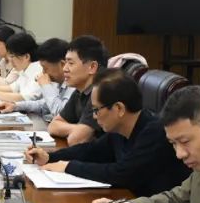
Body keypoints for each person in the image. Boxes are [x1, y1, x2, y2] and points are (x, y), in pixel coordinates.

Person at [24, 70, 189, 196]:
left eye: (97, 110)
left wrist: (68, 167)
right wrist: (50, 157)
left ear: (119, 109)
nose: (94, 116)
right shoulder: (119, 130)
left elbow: (122, 173)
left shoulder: (155, 131)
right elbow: (91, 150)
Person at [48, 35, 108, 145]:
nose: (65, 69)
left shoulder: (102, 92)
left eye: (71, 63)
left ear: (92, 67)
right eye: (65, 63)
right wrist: (77, 128)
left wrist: (78, 130)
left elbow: (76, 140)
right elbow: (53, 125)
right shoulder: (80, 91)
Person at [0, 37, 73, 120]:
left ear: (62, 64)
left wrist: (46, 85)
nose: (43, 72)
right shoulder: (59, 83)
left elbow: (62, 113)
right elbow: (43, 105)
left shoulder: (73, 85)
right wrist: (15, 106)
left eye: (45, 68)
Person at [0, 32, 43, 102]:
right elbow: (12, 88)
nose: (10, 60)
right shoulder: (25, 69)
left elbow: (25, 98)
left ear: (26, 56)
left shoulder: (38, 70)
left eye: (12, 56)